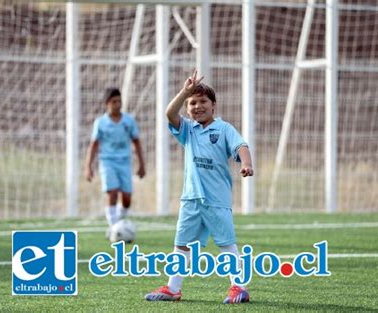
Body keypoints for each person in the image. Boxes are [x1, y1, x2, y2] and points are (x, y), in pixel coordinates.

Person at [145, 70, 254, 304]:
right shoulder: (188, 130)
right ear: (187, 108)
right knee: (181, 245)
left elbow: (241, 146)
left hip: (216, 200)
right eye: (192, 103)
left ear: (213, 105)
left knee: (226, 244)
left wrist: (246, 164)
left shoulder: (223, 129)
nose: (197, 106)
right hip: (191, 199)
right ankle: (173, 289)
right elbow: (168, 113)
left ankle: (239, 288)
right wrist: (184, 91)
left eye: (203, 101)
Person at [84, 88, 145, 227]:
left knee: (127, 198)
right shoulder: (100, 122)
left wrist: (142, 165)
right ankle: (114, 226)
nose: (118, 104)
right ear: (107, 103)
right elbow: (93, 145)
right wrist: (88, 167)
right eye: (114, 101)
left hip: (125, 162)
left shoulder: (129, 121)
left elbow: (136, 142)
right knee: (112, 192)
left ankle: (119, 221)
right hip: (107, 161)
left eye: (119, 101)